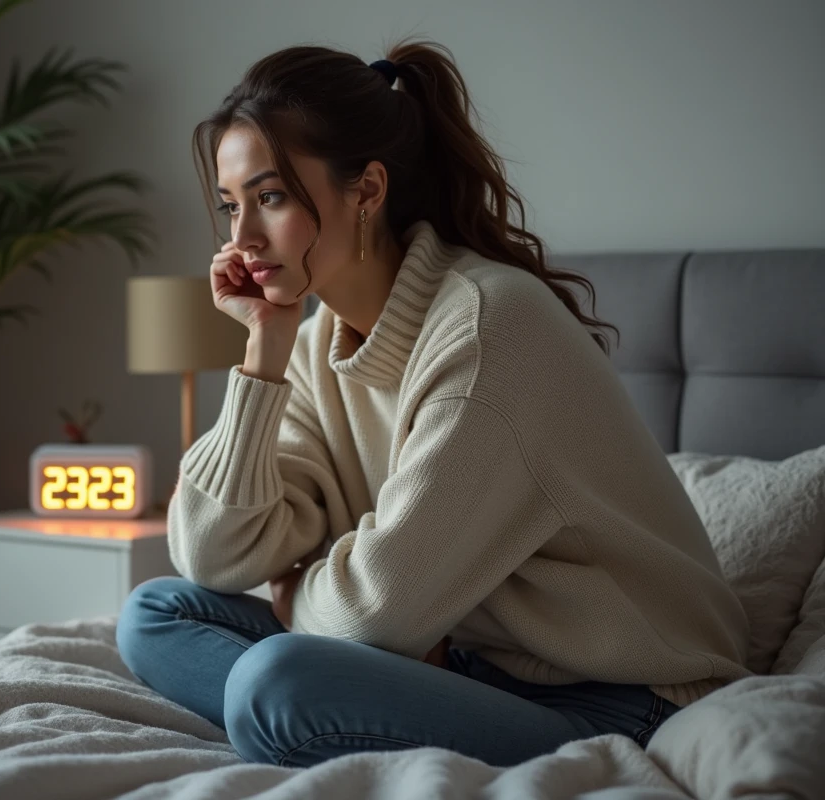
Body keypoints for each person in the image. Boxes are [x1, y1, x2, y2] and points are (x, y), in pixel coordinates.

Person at [115, 38, 750, 769]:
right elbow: (212, 555)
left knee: (273, 682)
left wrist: (295, 600)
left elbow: (372, 611)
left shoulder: (489, 326)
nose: (244, 238)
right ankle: (316, 714)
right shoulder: (320, 340)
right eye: (232, 206)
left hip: (621, 696)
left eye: (272, 197)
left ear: (368, 191)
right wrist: (264, 350)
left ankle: (300, 715)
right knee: (155, 613)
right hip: (470, 667)